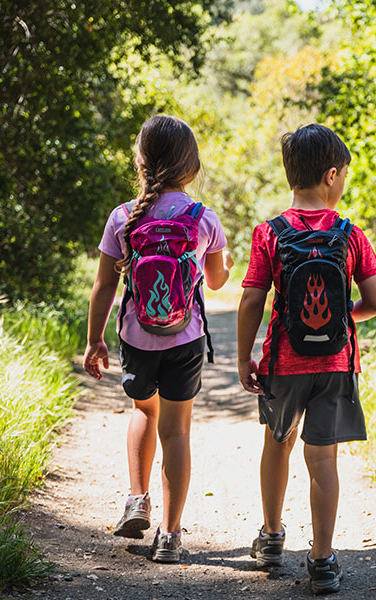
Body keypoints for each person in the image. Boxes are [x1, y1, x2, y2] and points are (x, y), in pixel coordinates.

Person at [237, 124, 376, 594]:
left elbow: (251, 301)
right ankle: (322, 562)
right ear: (331, 175)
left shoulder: (270, 232)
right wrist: (344, 319)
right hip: (336, 365)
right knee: (324, 460)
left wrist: (244, 357)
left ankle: (273, 538)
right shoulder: (350, 232)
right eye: (343, 177)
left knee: (277, 443)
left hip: (284, 362)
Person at [83, 115, 232, 563]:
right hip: (185, 340)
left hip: (136, 336)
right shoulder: (203, 218)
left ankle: (136, 498)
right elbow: (218, 280)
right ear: (191, 166)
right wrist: (220, 260)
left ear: (141, 161)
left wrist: (95, 341)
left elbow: (104, 287)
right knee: (178, 430)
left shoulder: (124, 216)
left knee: (143, 410)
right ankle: (169, 534)